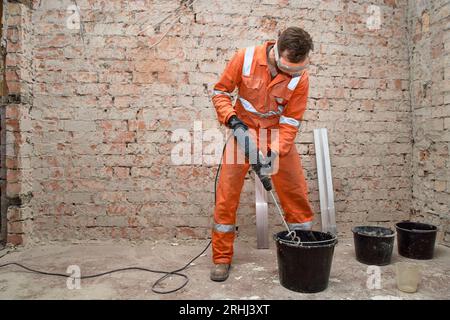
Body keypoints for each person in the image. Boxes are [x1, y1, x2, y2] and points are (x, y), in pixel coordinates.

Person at [210, 27, 315, 281]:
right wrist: (232, 120)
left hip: (277, 135)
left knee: (294, 190)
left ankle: (304, 248)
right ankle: (221, 258)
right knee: (227, 193)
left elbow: (291, 121)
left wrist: (275, 152)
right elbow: (220, 92)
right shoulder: (244, 57)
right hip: (243, 131)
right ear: (276, 50)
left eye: (296, 69)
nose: (291, 73)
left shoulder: (300, 77)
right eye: (287, 68)